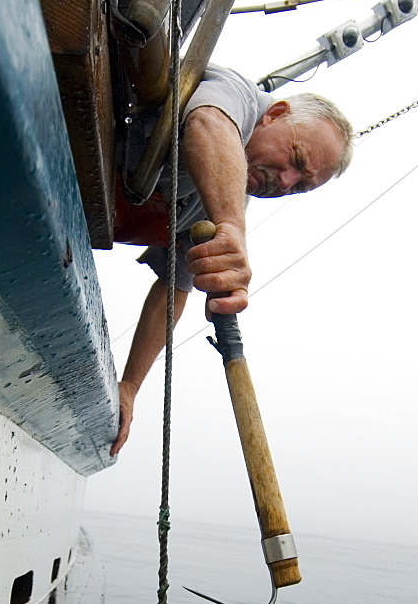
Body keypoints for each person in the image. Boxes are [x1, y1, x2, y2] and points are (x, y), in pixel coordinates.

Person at [110, 64, 354, 456]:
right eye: (295, 158)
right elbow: (209, 122)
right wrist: (230, 226)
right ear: (274, 115)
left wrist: (130, 387)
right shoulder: (235, 95)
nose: (287, 182)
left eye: (302, 187)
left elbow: (173, 289)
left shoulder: (222, 205)